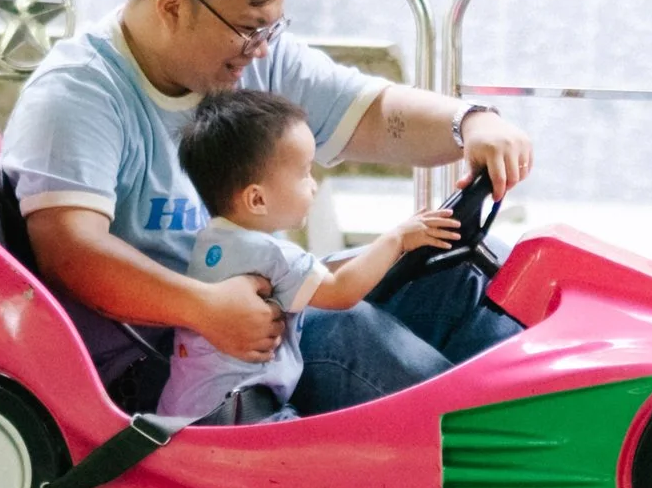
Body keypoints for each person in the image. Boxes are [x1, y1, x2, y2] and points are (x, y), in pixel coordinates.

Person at [0, 0, 536, 414]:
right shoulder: (77, 95)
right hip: (177, 363)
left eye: (270, 28)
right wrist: (203, 308)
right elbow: (70, 251)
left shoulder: (249, 59)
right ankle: (502, 469)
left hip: (262, 319)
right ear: (173, 8)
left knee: (450, 273)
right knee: (349, 331)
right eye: (249, 27)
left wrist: (469, 124)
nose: (260, 47)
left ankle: (559, 421)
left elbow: (369, 112)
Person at [161, 89, 468, 424]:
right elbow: (340, 291)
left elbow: (316, 275)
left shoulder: (212, 242)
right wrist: (396, 239)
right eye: (305, 172)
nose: (313, 185)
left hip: (190, 415)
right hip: (242, 419)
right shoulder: (272, 253)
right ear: (257, 200)